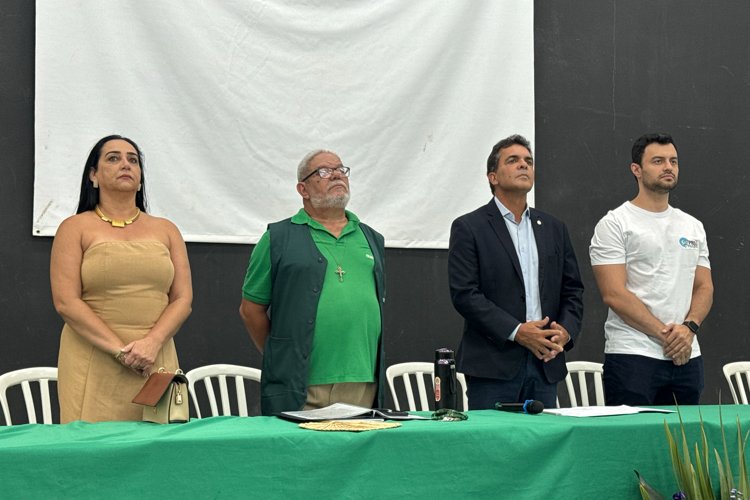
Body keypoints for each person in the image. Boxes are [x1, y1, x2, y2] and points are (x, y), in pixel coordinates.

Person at [50, 135, 192, 423]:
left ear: (140, 179)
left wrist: (151, 344)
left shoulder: (167, 230)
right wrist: (122, 352)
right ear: (93, 175)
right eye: (113, 158)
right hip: (93, 359)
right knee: (92, 446)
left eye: (133, 160)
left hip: (155, 359)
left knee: (158, 445)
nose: (125, 164)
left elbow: (182, 298)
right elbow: (66, 302)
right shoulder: (74, 228)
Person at [239, 150, 386, 416]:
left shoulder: (371, 238)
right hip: (302, 386)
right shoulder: (278, 238)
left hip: (364, 383)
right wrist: (281, 357)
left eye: (341, 169)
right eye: (324, 171)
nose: (337, 175)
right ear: (303, 189)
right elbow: (251, 310)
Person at [448, 134, 584, 410]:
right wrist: (517, 331)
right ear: (493, 177)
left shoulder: (554, 228)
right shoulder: (469, 227)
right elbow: (465, 294)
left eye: (528, 161)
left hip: (545, 362)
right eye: (513, 160)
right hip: (493, 365)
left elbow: (573, 289)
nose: (524, 165)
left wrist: (565, 331)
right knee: (494, 439)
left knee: (544, 438)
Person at [590, 133, 713, 405]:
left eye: (673, 161)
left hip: (687, 356)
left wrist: (689, 329)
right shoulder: (615, 223)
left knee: (684, 434)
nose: (668, 167)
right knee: (634, 434)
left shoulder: (693, 226)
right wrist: (667, 336)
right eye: (658, 161)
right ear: (636, 169)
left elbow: (704, 286)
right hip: (633, 355)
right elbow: (614, 294)